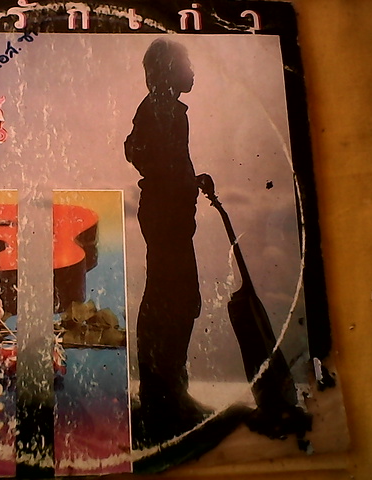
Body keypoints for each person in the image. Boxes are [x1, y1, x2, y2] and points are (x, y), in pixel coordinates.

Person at [125, 38, 211, 446]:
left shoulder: (167, 108)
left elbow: (159, 157)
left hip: (168, 211)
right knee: (173, 299)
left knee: (174, 298)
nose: (192, 71)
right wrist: (173, 181)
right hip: (165, 214)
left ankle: (166, 391)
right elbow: (139, 151)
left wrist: (190, 179)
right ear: (169, 69)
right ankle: (164, 395)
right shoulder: (160, 108)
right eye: (186, 63)